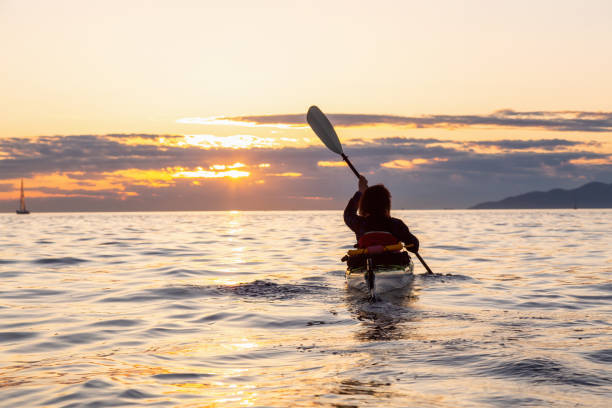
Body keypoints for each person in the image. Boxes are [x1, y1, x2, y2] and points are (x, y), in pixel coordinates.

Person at [344, 176, 419, 252]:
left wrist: (360, 192)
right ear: (386, 204)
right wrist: (408, 240)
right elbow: (414, 247)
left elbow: (348, 214)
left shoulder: (359, 223)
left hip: (368, 262)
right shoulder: (396, 224)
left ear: (364, 204)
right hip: (392, 262)